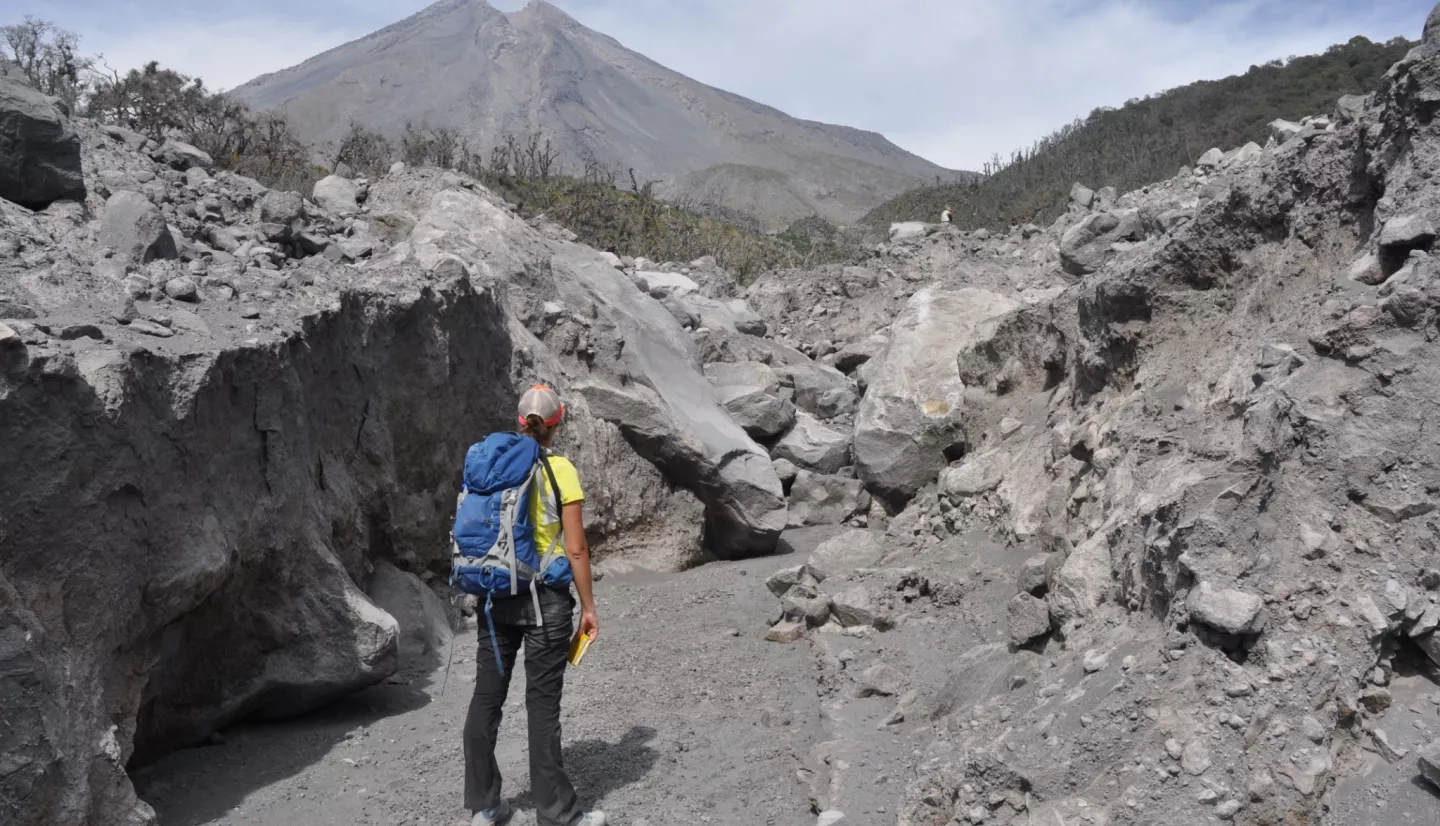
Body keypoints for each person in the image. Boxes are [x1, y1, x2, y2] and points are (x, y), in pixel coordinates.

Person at [464, 385, 605, 826]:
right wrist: (588, 607)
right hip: (545, 598)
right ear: (556, 423)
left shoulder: (487, 464)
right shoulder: (560, 469)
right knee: (542, 705)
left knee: (486, 698)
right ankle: (558, 814)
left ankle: (485, 807)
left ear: (518, 418)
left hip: (493, 593)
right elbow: (577, 549)